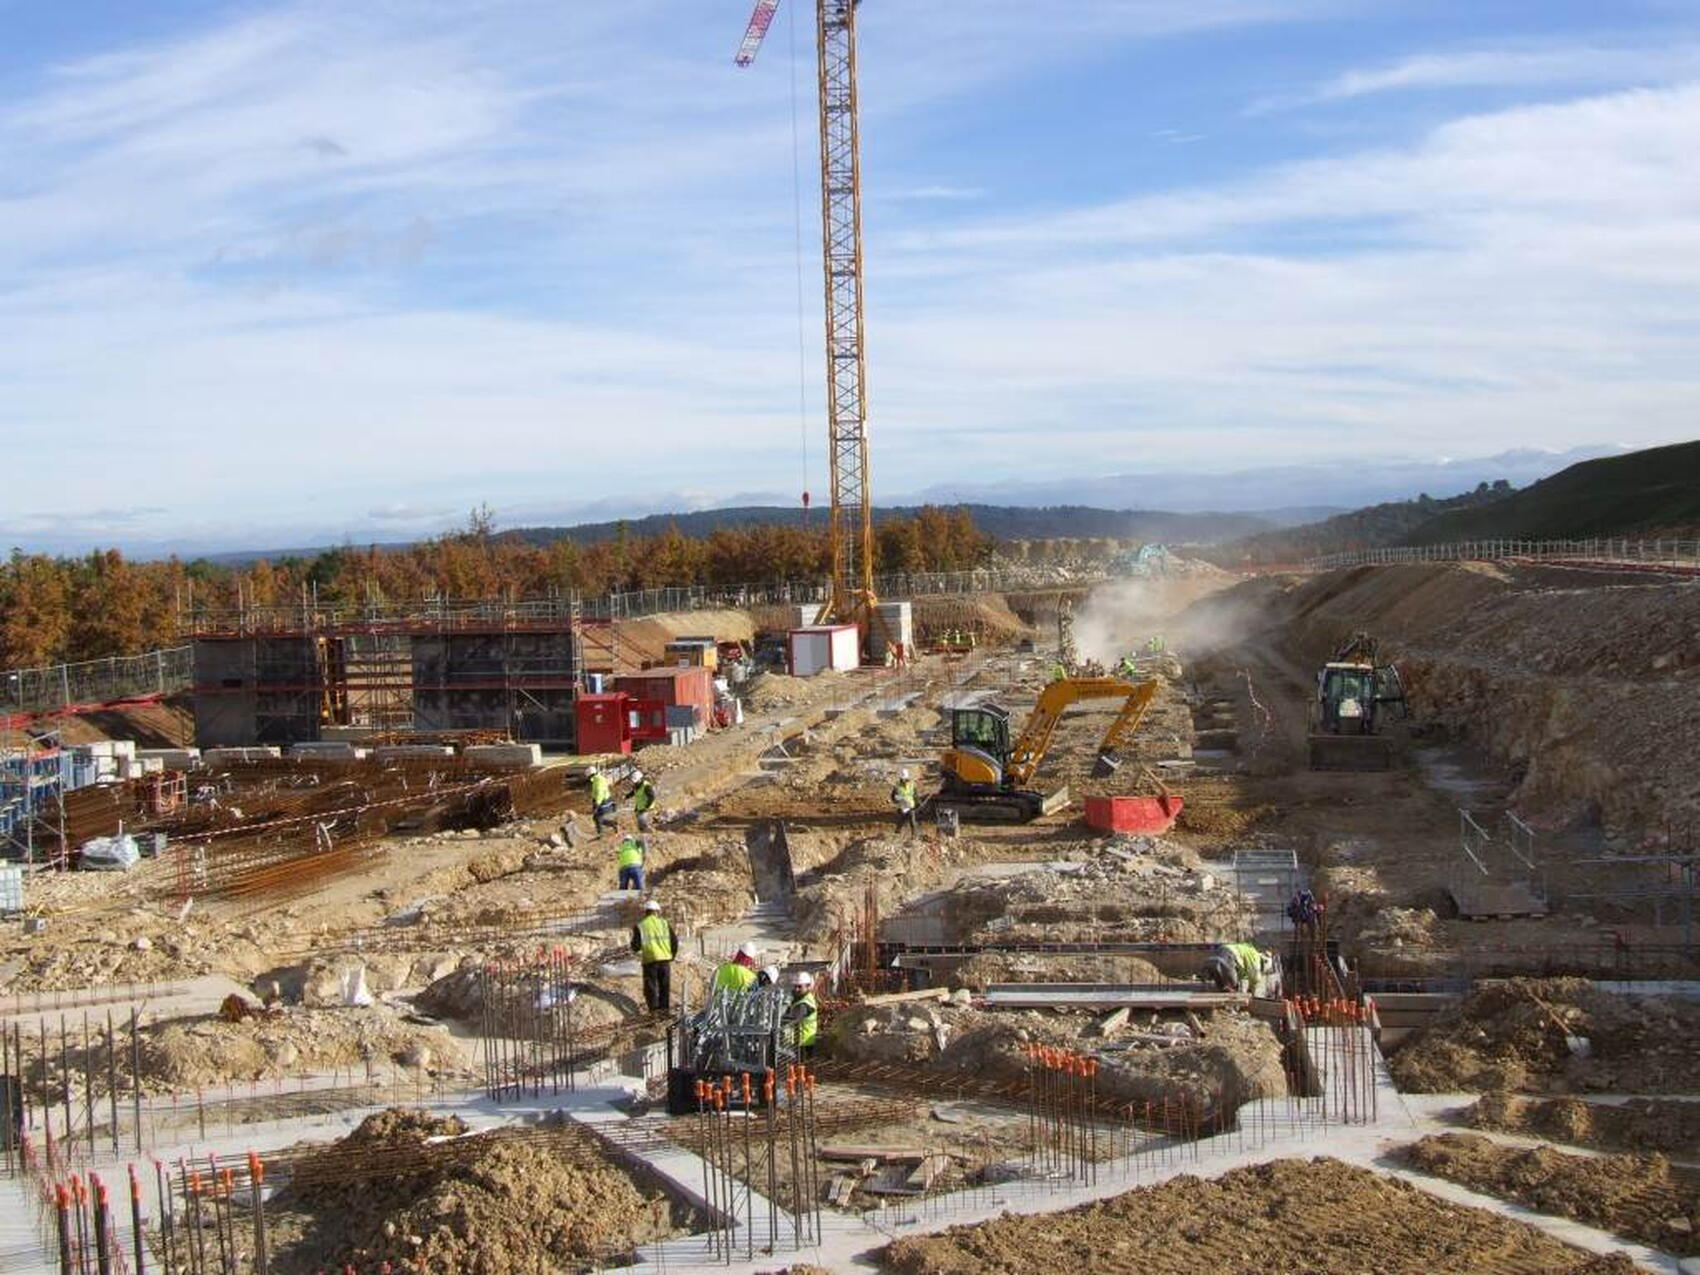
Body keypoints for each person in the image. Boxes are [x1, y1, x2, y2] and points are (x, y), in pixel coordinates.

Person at [630, 899, 677, 1013]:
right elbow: (674, 942)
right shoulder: (665, 924)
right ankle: (664, 1012)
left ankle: (654, 1012)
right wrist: (672, 956)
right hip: (665, 960)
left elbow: (635, 946)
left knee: (651, 988)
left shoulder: (640, 926)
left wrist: (635, 947)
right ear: (657, 911)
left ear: (646, 912)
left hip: (650, 961)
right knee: (664, 987)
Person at [1202, 942, 1277, 996]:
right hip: (1230, 955)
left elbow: (1242, 974)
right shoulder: (1255, 960)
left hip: (1220, 950)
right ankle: (1232, 1006)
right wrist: (1252, 995)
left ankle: (1224, 1006)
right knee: (1232, 985)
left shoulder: (1251, 952)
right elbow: (1255, 979)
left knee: (1222, 985)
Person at [786, 972, 819, 1060]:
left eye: (800, 986)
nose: (796, 989)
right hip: (800, 1040)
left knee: (802, 1068)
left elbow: (794, 1018)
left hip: (804, 1042)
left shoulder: (805, 1004)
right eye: (795, 986)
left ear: (808, 986)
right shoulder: (800, 999)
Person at [890, 768, 920, 838]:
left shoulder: (912, 785)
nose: (904, 780)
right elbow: (893, 796)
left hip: (910, 806)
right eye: (902, 778)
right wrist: (897, 799)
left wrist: (917, 803)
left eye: (905, 778)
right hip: (902, 807)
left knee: (912, 821)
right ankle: (897, 833)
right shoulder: (897, 786)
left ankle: (914, 835)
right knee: (901, 821)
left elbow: (915, 795)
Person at [588, 766, 615, 837]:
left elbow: (600, 793)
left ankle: (601, 834)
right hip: (603, 800)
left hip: (603, 801)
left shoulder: (598, 781)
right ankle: (613, 824)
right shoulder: (598, 779)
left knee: (598, 818)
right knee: (597, 818)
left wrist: (597, 804)